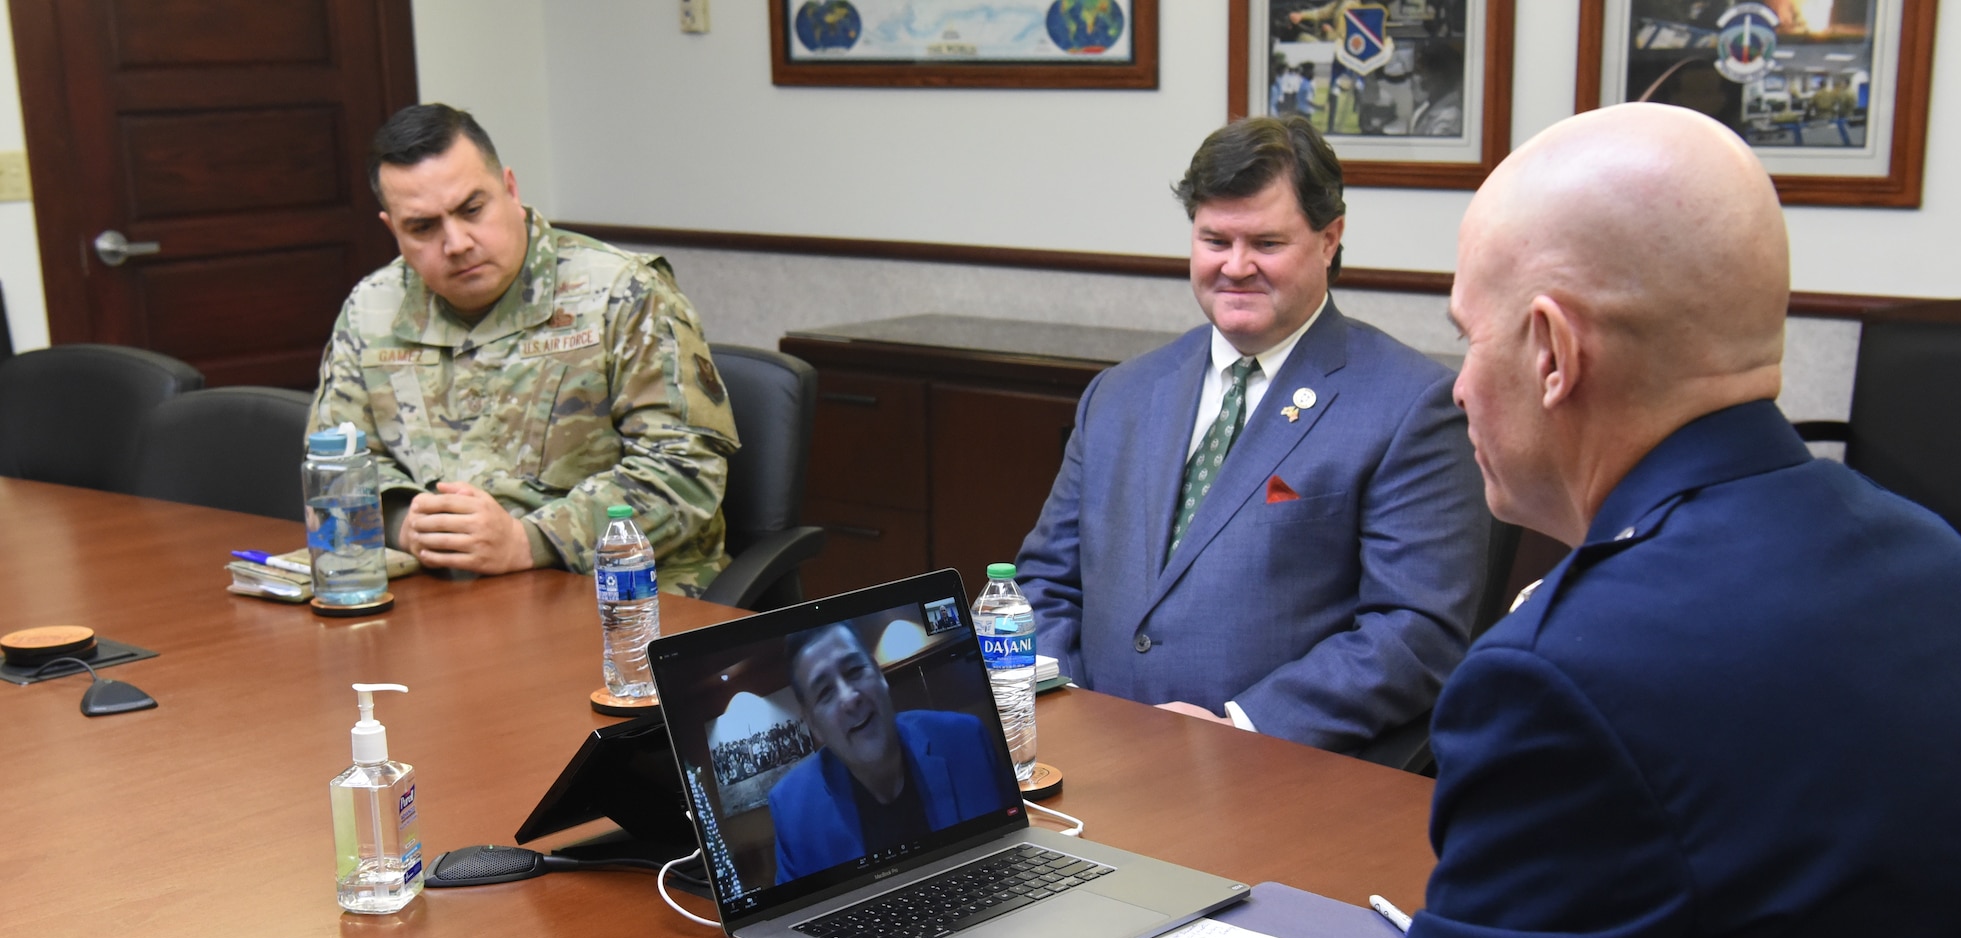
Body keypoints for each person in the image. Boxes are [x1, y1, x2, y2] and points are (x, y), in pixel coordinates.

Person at [1045, 102, 1961, 938]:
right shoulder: (1934, 558)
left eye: (1467, 336)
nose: (1456, 381)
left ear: (1548, 352)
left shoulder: (1572, 669)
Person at [1014, 116, 1485, 753]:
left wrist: (1240, 726)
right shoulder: (1120, 394)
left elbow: (1415, 630)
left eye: (1265, 242)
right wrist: (1067, 705)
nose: (1236, 267)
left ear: (1329, 239)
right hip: (1093, 762)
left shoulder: (1410, 406)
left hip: (1269, 776)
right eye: (1215, 240)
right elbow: (1045, 580)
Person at [308, 104, 737, 591]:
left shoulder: (623, 292)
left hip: (617, 593)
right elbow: (335, 466)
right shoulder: (372, 309)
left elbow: (684, 468)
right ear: (393, 230)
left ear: (510, 189)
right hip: (443, 593)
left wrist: (528, 540)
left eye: (472, 209)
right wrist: (402, 520)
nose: (456, 242)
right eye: (423, 227)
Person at [766, 624, 1010, 883]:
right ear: (814, 725)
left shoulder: (966, 740)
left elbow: (1010, 844)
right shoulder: (793, 811)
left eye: (855, 671)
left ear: (878, 674)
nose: (850, 698)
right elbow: (793, 917)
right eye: (825, 692)